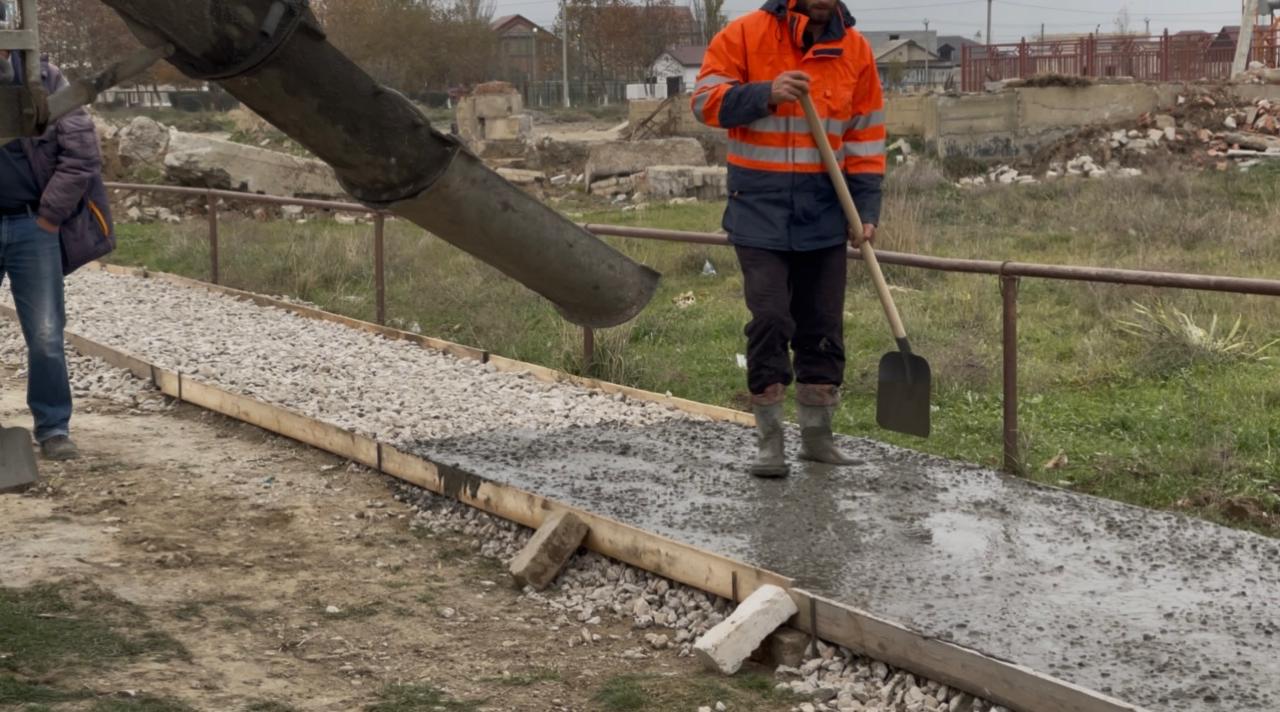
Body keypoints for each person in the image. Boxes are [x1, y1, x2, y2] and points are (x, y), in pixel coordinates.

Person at [691, 0, 886, 478]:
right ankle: (770, 442)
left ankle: (818, 440)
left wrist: (864, 210)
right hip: (758, 208)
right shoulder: (743, 36)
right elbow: (703, 102)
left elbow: (865, 138)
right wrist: (764, 94)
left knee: (822, 326)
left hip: (824, 209)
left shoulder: (855, 50)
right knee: (772, 319)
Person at [0, 49, 115, 460]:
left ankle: (52, 428)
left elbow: (82, 153)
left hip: (32, 226)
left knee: (46, 335)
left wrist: (49, 217)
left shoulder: (45, 80)